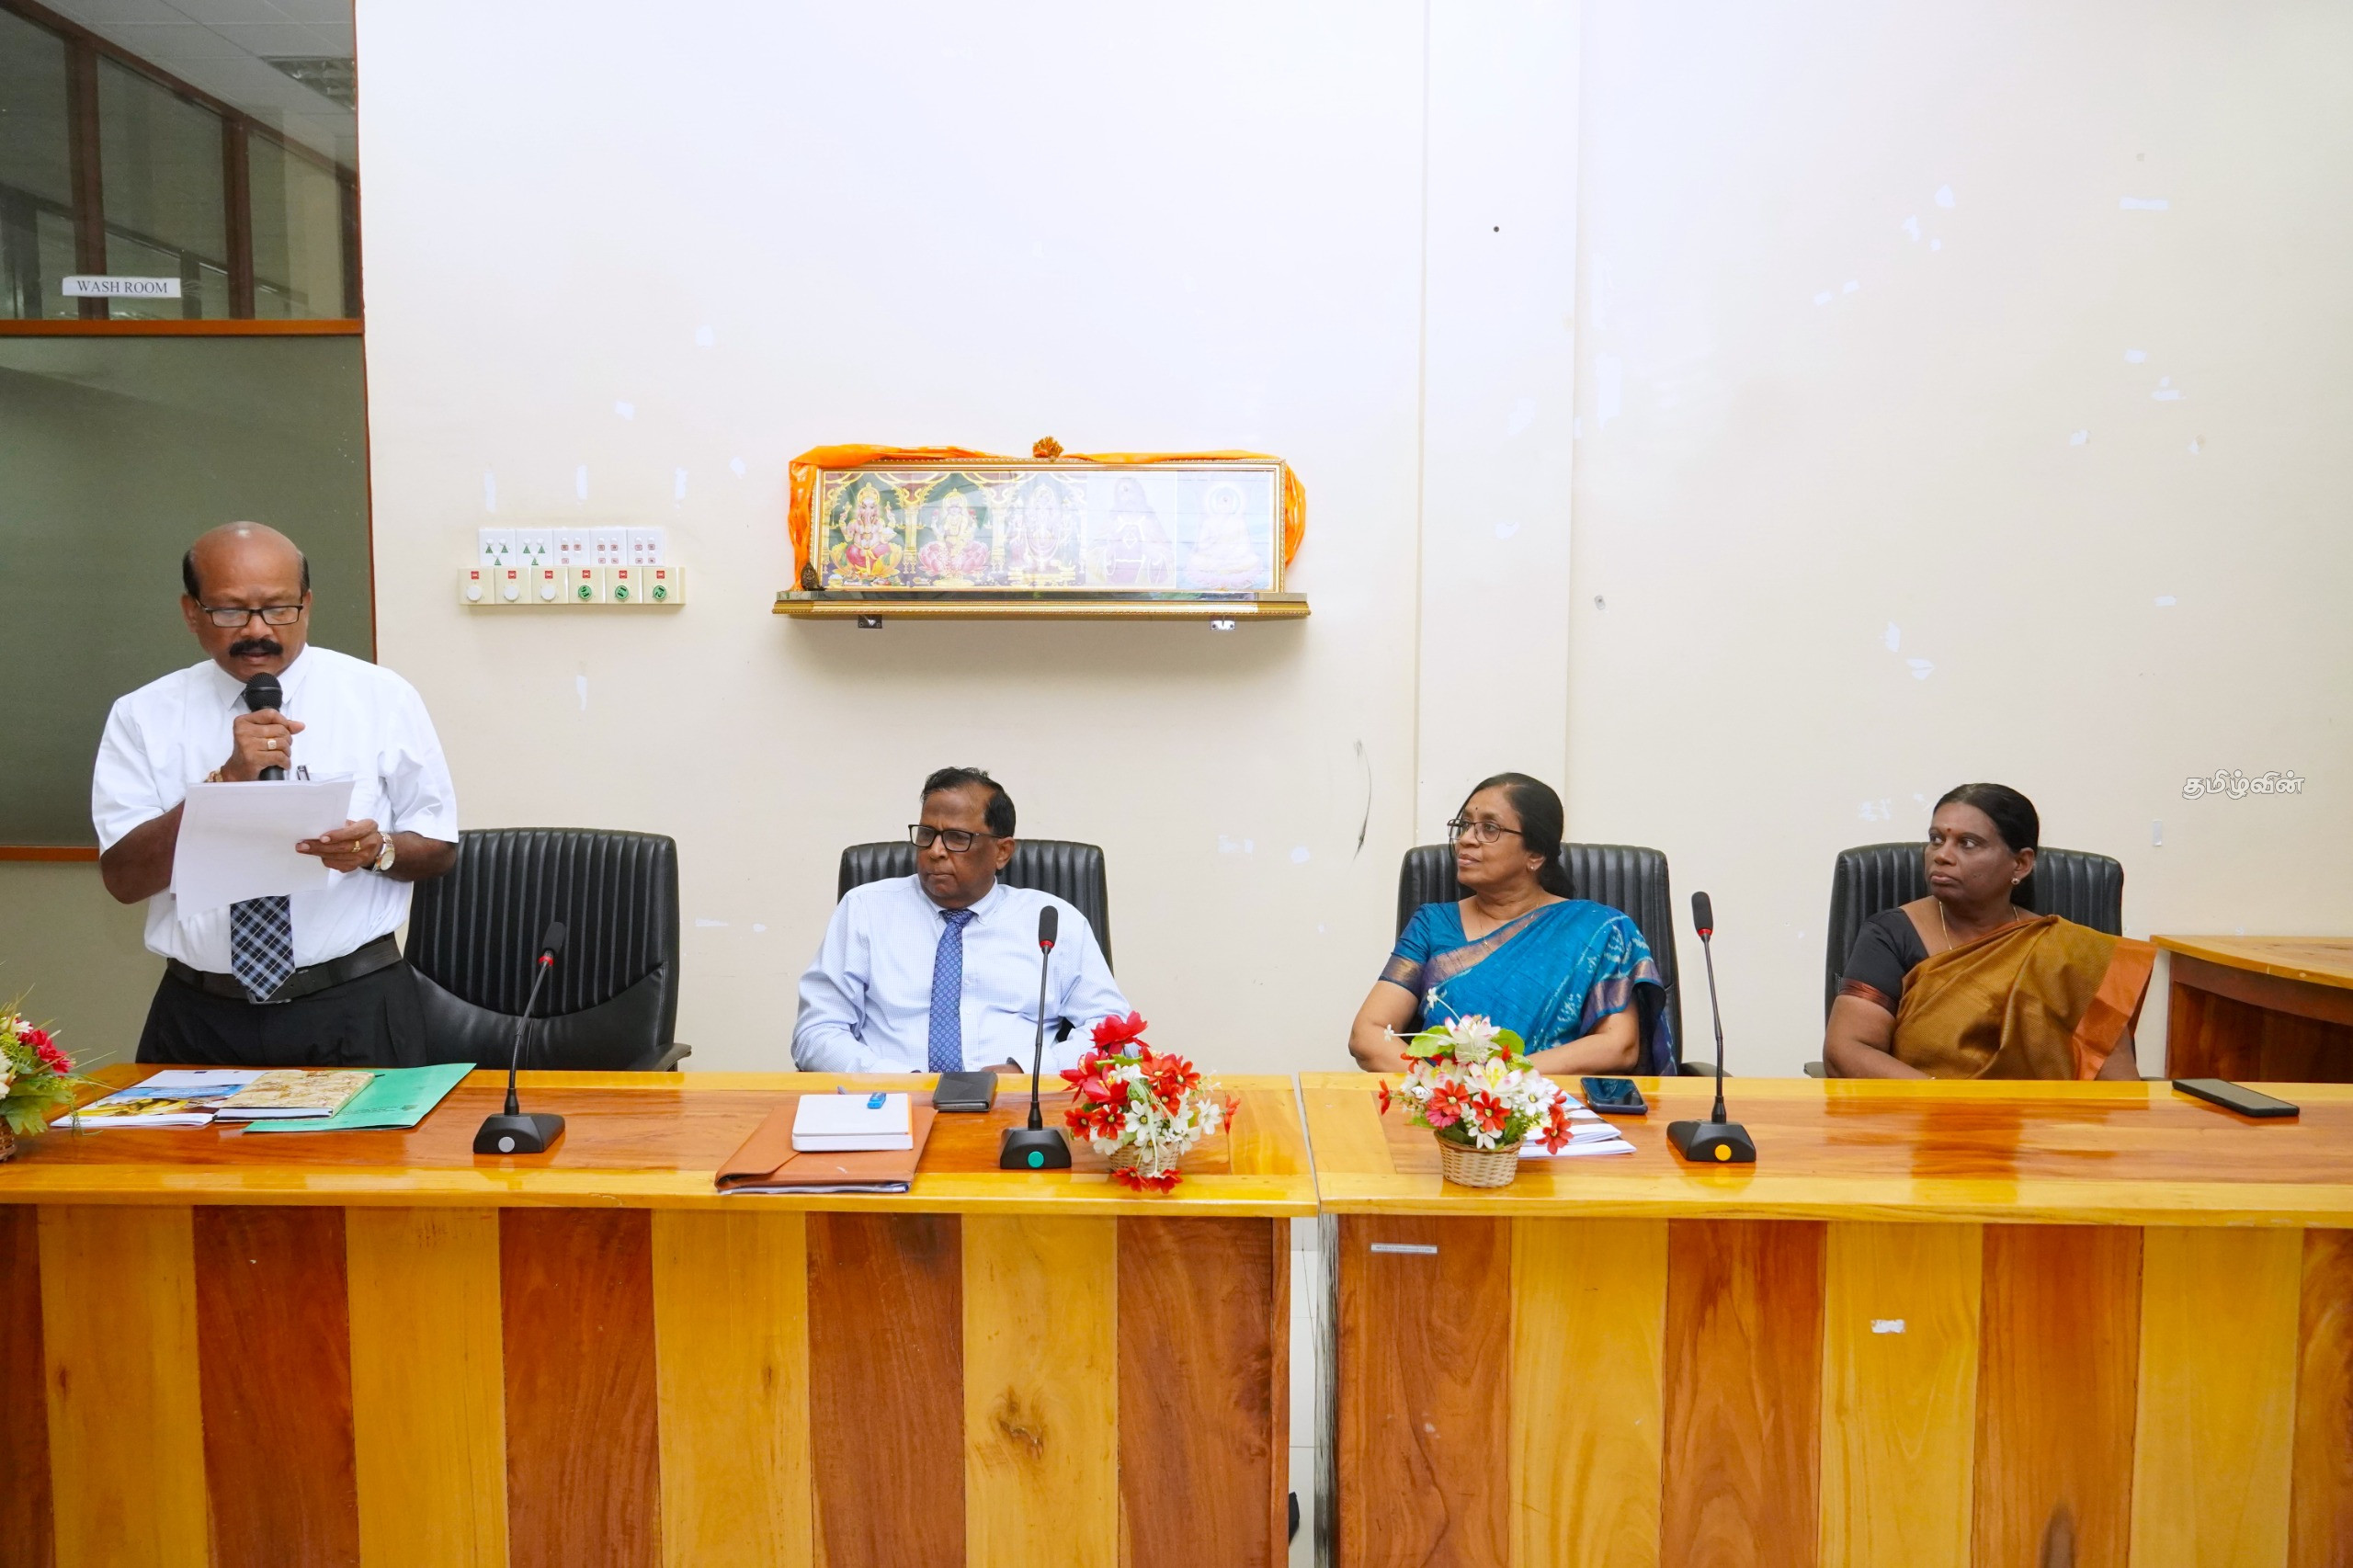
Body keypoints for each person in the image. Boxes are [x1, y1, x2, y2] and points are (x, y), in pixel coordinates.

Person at [93, 522, 459, 1066]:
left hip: (353, 1006)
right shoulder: (143, 715)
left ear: (306, 604)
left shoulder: (380, 697)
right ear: (191, 612)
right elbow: (125, 880)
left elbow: (440, 848)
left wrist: (376, 850)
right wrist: (224, 784)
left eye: (278, 609)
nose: (257, 630)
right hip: (199, 1017)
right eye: (230, 611)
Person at [792, 767, 1127, 1074]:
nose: (935, 850)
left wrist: (1027, 1072)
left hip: (1019, 1103)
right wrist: (897, 1081)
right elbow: (815, 1033)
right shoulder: (865, 910)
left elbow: (1117, 1034)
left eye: (956, 838)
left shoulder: (1052, 921)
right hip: (890, 1101)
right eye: (927, 834)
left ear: (1002, 852)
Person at [1823, 783, 2154, 1079]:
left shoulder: (2069, 953)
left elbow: (2118, 1083)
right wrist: (1946, 1104)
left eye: (1967, 843)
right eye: (1936, 839)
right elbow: (1847, 1049)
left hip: (2042, 1123)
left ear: (2021, 864)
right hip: (1922, 1118)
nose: (1942, 856)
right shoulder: (1890, 934)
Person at [1348, 772, 1671, 1076]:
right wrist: (1443, 1089)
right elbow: (1368, 1034)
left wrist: (1500, 1080)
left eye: (1489, 829)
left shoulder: (1601, 929)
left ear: (1535, 855)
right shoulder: (1432, 924)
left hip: (1556, 1104)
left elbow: (1618, 1046)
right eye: (1465, 825)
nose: (1466, 840)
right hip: (1445, 1108)